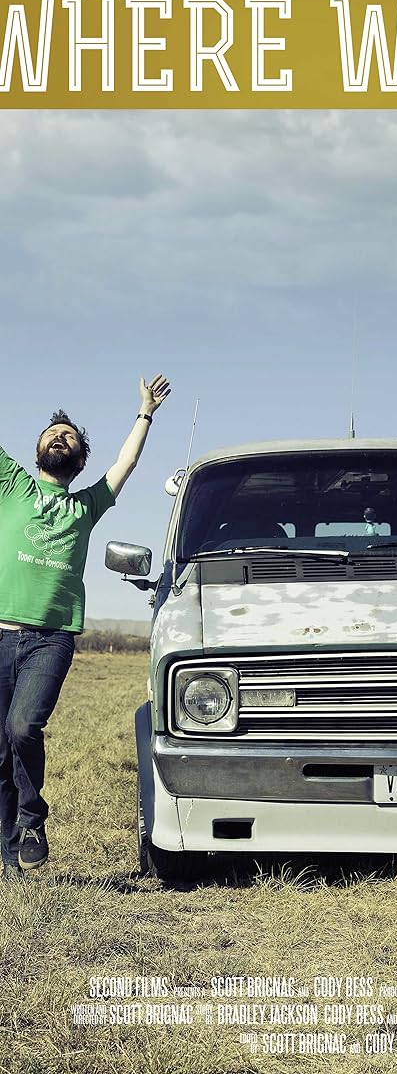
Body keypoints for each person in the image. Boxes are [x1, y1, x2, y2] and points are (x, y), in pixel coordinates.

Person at [0, 374, 170, 877]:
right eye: (53, 432)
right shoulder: (12, 487)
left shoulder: (85, 505)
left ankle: (33, 818)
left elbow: (126, 464)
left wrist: (145, 413)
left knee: (22, 727)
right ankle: (10, 855)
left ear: (79, 460)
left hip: (50, 639)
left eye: (70, 436)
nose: (61, 437)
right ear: (37, 450)